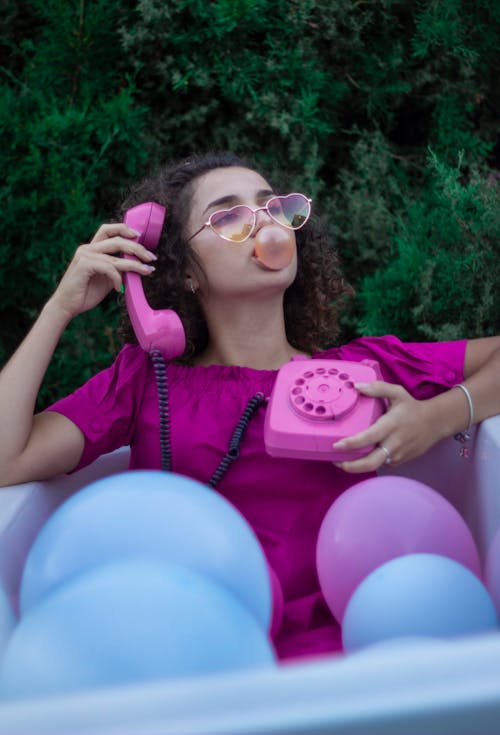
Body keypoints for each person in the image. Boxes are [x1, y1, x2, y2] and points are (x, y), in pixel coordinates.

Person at [1, 151, 499, 660]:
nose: (265, 223)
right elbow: (7, 458)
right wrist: (60, 307)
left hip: (354, 659)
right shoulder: (145, 381)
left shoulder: (363, 369)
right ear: (185, 271)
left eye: (275, 208)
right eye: (231, 217)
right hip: (207, 660)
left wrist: (435, 418)